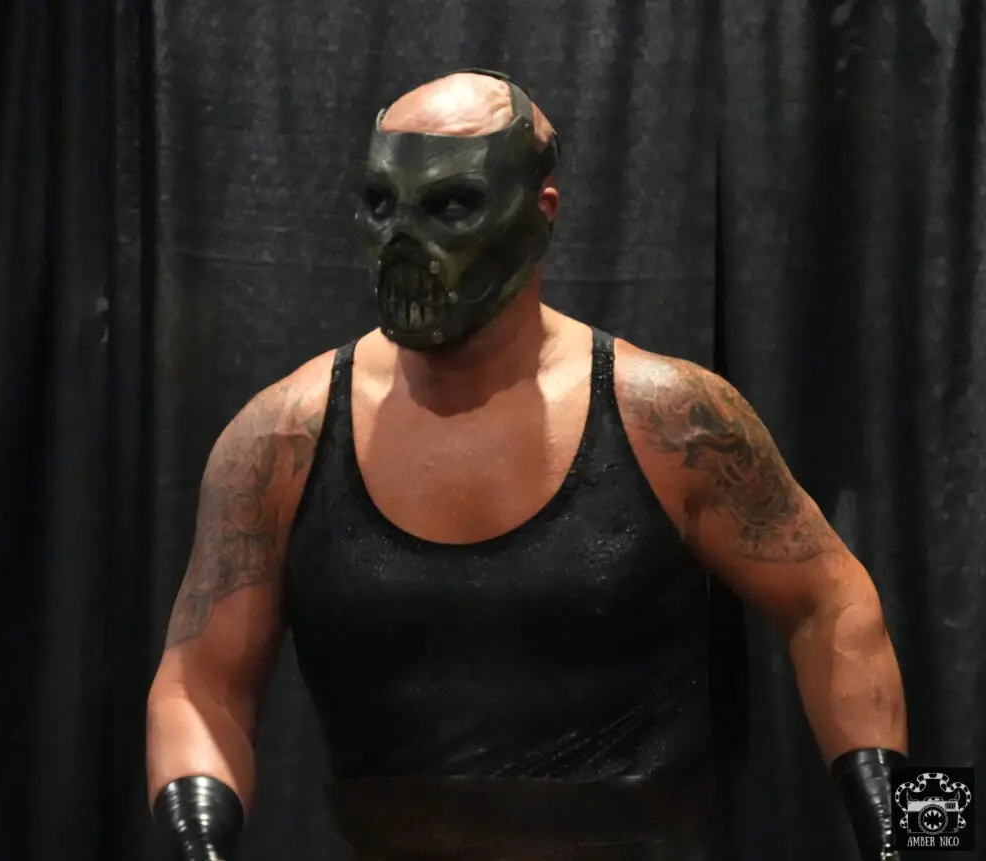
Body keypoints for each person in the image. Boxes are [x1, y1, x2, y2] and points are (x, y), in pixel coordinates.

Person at [146, 70, 908, 861]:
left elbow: (835, 603)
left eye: (450, 206)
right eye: (380, 203)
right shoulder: (281, 440)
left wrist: (911, 835)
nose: (404, 240)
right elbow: (198, 681)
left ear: (540, 211)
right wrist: (200, 847)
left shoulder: (672, 420)